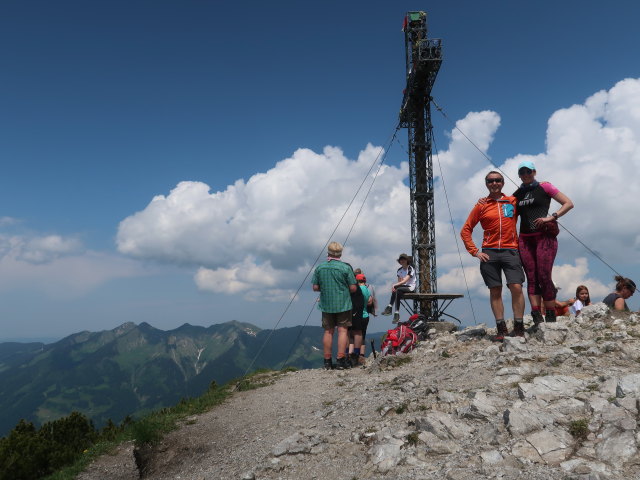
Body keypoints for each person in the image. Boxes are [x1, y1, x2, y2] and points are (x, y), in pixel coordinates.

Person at [461, 171, 526, 339]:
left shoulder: (512, 201)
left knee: (516, 287)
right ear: (486, 184)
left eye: (498, 180)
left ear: (503, 182)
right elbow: (466, 230)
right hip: (489, 252)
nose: (494, 183)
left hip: (511, 249)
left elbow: (531, 197)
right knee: (495, 290)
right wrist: (475, 251)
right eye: (490, 181)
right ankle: (501, 328)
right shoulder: (481, 205)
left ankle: (519, 327)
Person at [513, 160, 574, 327]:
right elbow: (508, 216)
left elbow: (568, 203)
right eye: (522, 172)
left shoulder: (545, 187)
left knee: (544, 276)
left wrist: (552, 217)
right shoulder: (516, 194)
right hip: (525, 239)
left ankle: (551, 315)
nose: (526, 175)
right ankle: (536, 314)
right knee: (531, 277)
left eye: (529, 171)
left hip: (544, 237)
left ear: (534, 172)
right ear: (519, 175)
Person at [311, 242, 357, 370]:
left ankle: (327, 361)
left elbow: (315, 287)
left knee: (328, 331)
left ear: (328, 252)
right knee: (342, 331)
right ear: (340, 253)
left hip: (326, 304)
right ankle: (341, 359)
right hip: (343, 304)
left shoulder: (320, 267)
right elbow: (353, 288)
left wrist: (325, 287)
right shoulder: (345, 268)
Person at [381, 253, 416, 324]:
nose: (402, 261)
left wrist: (395, 285)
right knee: (397, 289)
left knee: (398, 288)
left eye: (404, 259)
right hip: (403, 287)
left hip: (410, 287)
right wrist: (396, 286)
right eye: (401, 260)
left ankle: (391, 309)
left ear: (407, 260)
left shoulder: (410, 268)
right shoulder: (399, 270)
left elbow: (405, 280)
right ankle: (394, 311)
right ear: (399, 261)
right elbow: (400, 282)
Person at [347, 274, 372, 366]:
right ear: (364, 280)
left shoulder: (357, 289)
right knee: (362, 336)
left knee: (352, 337)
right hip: (365, 315)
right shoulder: (367, 289)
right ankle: (361, 356)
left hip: (356, 314)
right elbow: (370, 302)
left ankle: (350, 355)